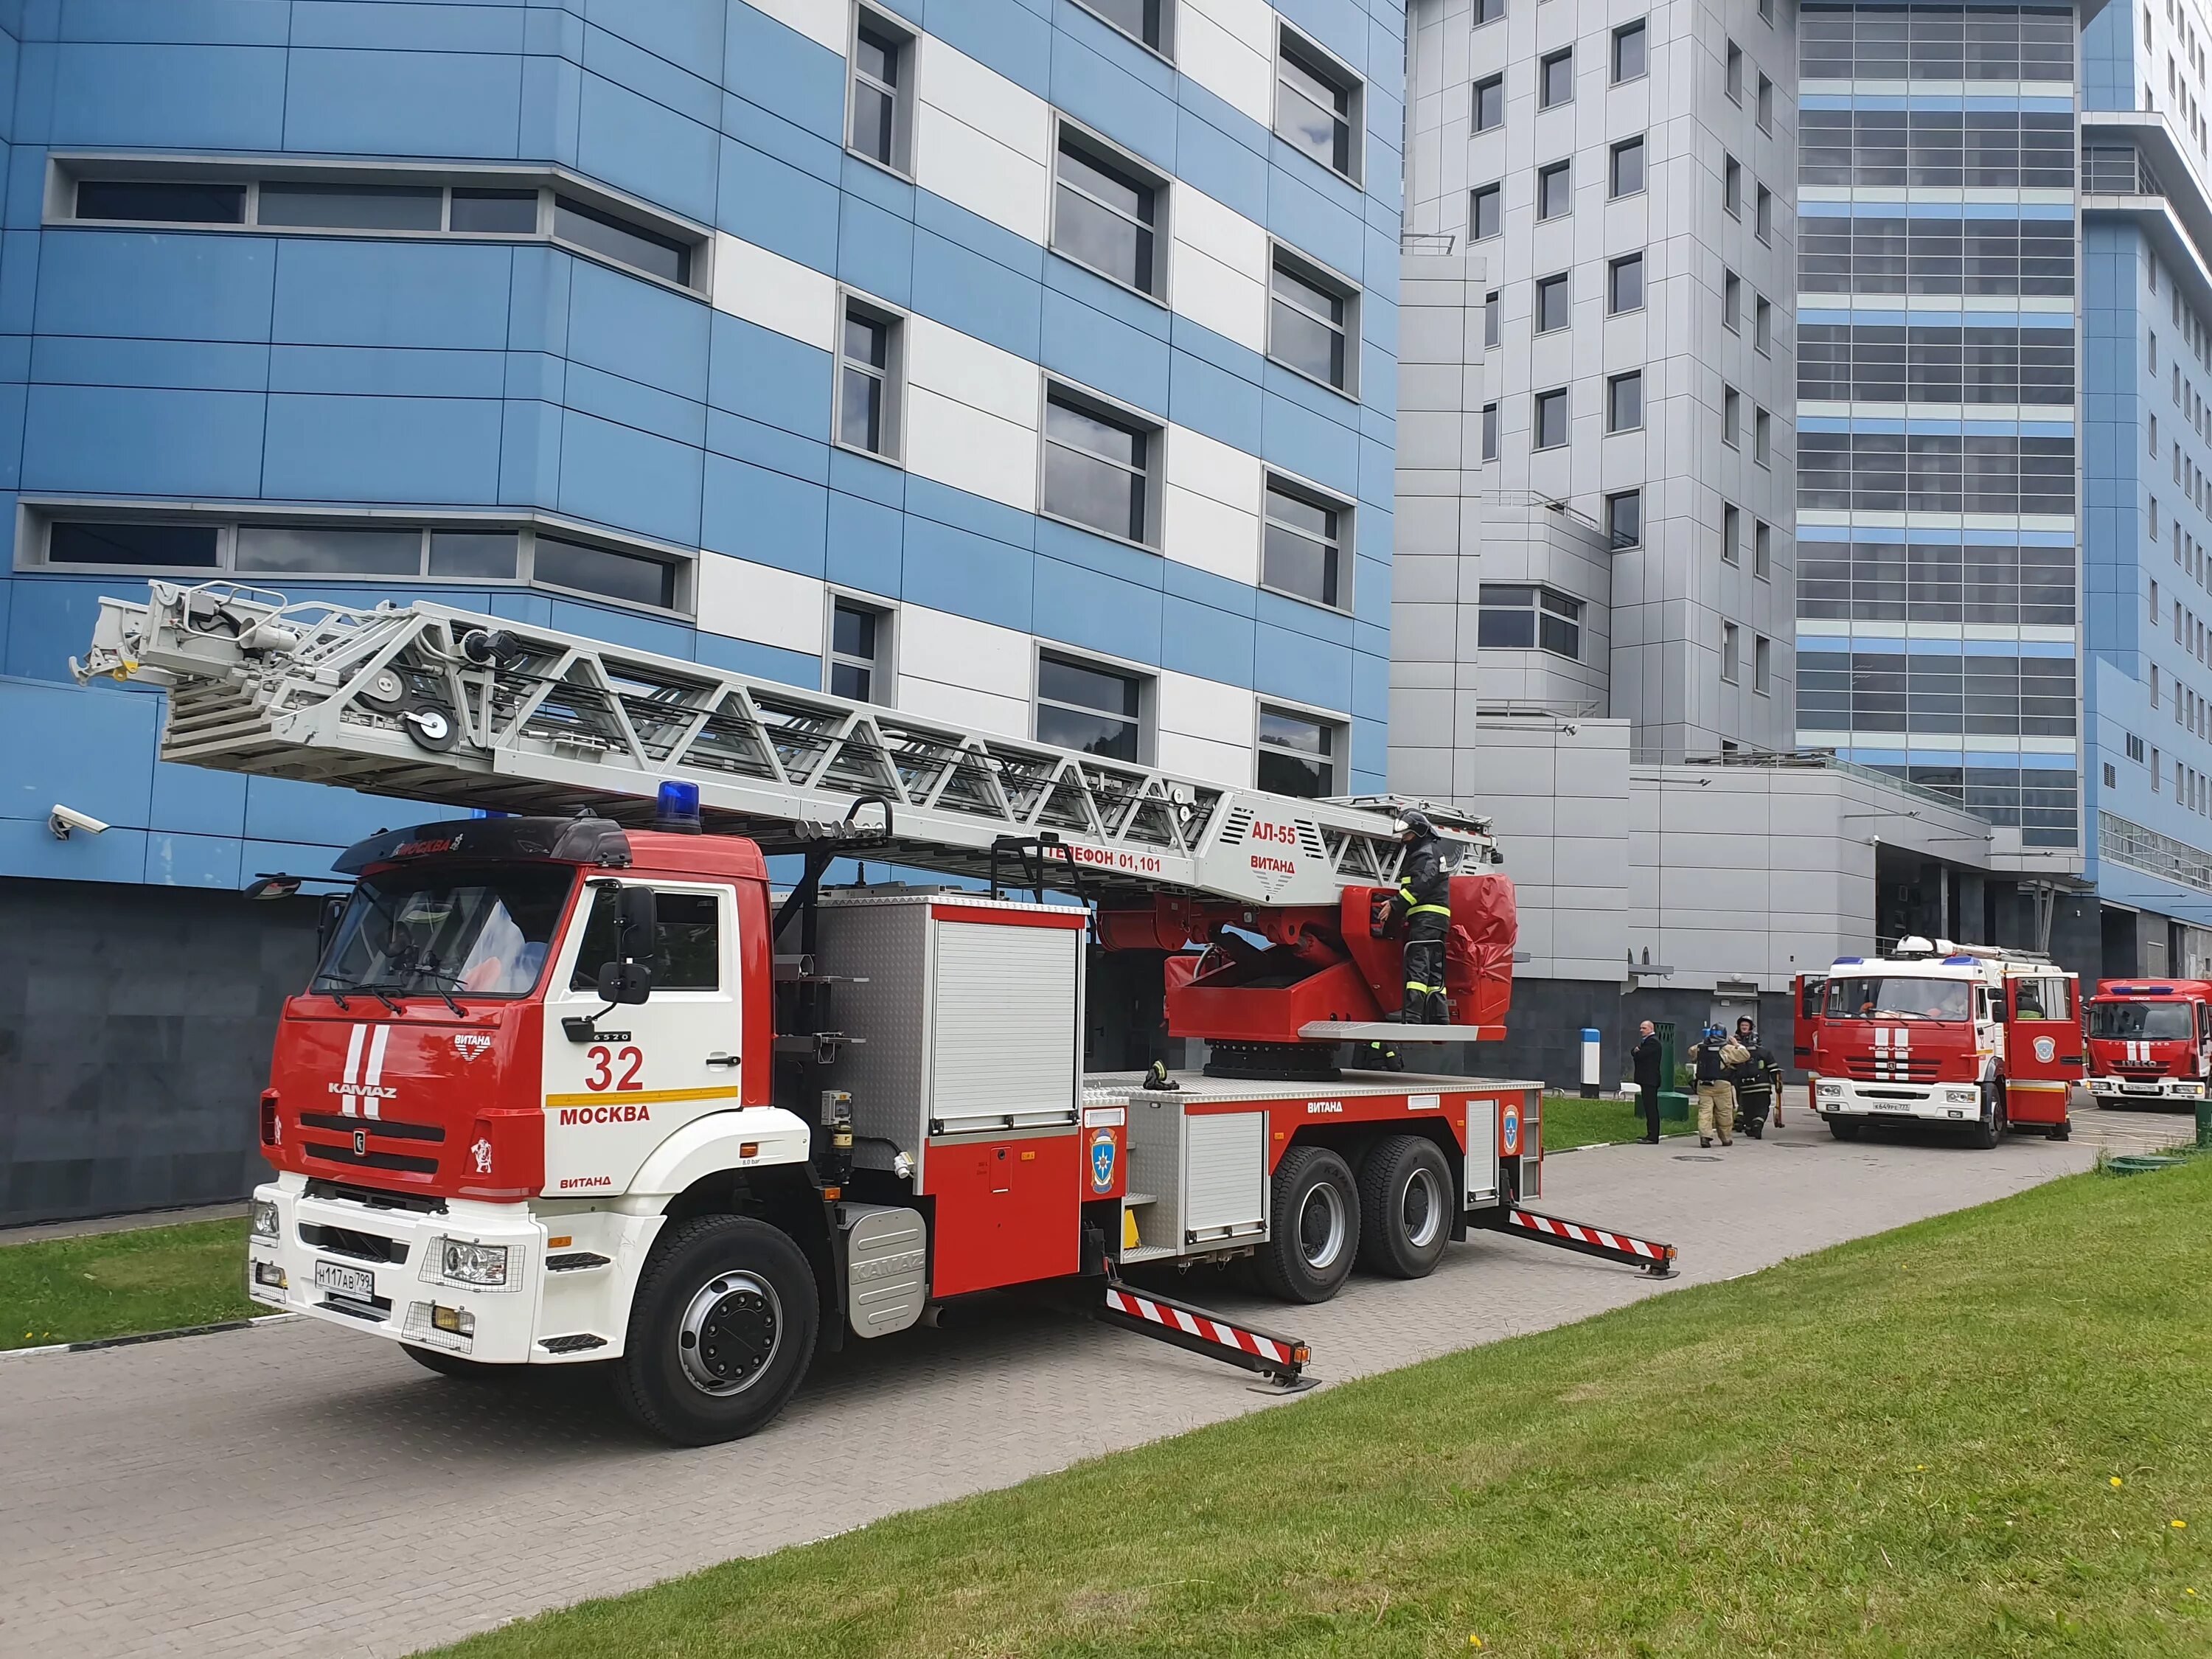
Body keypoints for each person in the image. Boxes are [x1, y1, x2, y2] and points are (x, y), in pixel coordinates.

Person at [1391, 809, 1453, 1023]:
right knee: (1435, 971)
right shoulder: (1430, 852)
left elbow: (1419, 886)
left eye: (1406, 835)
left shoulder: (1425, 853)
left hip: (1426, 919)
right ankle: (1439, 1017)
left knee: (1417, 966)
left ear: (1418, 833)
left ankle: (1413, 1016)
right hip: (1436, 920)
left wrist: (1393, 905)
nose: (1404, 840)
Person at [1688, 1023, 1749, 1148]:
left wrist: (1704, 1042)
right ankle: (1726, 1138)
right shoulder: (1727, 1048)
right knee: (1724, 1112)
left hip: (1703, 1085)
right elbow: (1745, 1055)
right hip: (1722, 1084)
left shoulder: (1700, 1047)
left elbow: (1691, 1052)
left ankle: (1705, 1136)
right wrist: (1736, 1044)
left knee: (1705, 1111)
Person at [1631, 1019, 1663, 1143]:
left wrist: (1637, 1052)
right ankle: (1650, 1134)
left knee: (1651, 1108)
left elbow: (1640, 1055)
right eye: (1641, 1028)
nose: (1641, 1030)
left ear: (1651, 1029)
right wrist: (1636, 1051)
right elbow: (1634, 1051)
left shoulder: (1653, 1042)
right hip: (1647, 1080)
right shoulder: (1647, 1042)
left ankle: (1653, 1136)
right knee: (1648, 1107)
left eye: (1644, 1028)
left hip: (1650, 1079)